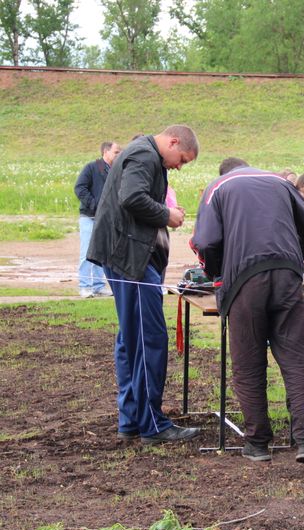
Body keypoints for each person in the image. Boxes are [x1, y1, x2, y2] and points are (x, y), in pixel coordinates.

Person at [191, 158, 304, 464]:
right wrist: (291, 258)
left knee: (248, 362)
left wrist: (218, 273)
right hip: (287, 276)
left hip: (244, 281)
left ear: (224, 172)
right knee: (296, 360)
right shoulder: (280, 183)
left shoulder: (217, 187)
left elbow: (205, 241)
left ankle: (257, 443)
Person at [86, 125, 200, 444]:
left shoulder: (144, 154)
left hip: (127, 258)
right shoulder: (144, 155)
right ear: (173, 142)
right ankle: (152, 424)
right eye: (182, 159)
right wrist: (167, 214)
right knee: (149, 338)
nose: (179, 166)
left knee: (131, 338)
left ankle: (132, 420)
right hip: (131, 261)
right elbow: (132, 197)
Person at [74, 141, 120, 298]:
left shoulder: (116, 170)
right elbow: (79, 188)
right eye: (116, 152)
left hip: (106, 219)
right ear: (105, 152)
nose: (118, 155)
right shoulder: (92, 167)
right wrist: (94, 205)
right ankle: (85, 286)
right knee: (87, 252)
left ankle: (98, 286)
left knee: (102, 252)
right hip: (89, 217)